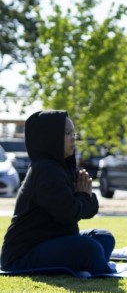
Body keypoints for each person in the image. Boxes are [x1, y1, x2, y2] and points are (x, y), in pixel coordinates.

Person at [0, 110, 115, 276]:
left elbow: (91, 205)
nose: (73, 137)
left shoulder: (63, 167)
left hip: (56, 241)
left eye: (74, 133)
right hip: (23, 255)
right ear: (50, 137)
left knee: (103, 237)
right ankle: (95, 268)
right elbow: (68, 213)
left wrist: (83, 197)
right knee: (88, 248)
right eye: (67, 133)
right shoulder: (45, 171)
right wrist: (82, 197)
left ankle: (88, 265)